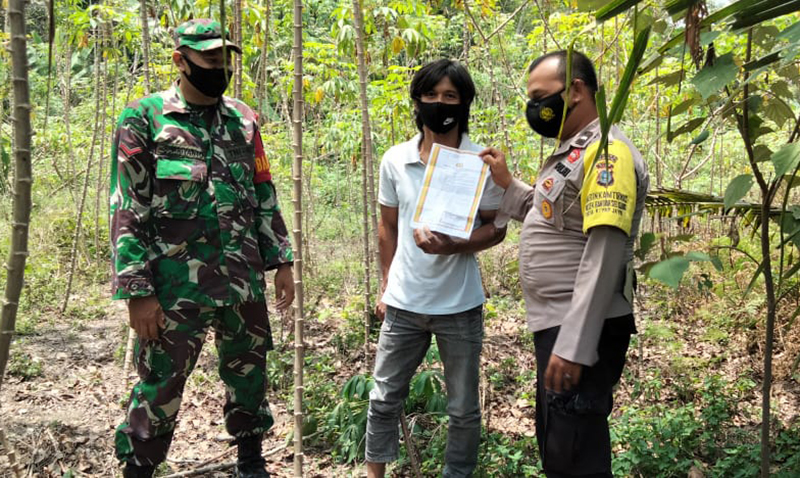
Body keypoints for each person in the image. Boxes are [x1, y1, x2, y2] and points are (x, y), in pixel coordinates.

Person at [109, 19, 294, 478]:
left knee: (249, 372)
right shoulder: (145, 117)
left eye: (225, 60)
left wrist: (282, 261)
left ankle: (250, 459)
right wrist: (137, 290)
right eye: (210, 60)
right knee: (161, 382)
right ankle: (138, 468)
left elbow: (263, 192)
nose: (220, 68)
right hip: (175, 286)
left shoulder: (244, 119)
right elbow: (128, 206)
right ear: (181, 60)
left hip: (241, 277)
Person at [481, 50, 649, 477]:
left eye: (541, 96)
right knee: (560, 445)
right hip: (558, 322)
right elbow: (553, 218)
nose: (534, 107)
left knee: (575, 454)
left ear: (575, 91)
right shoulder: (574, 152)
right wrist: (508, 184)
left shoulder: (608, 153)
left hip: (578, 324)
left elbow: (605, 249)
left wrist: (575, 344)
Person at [366, 59, 506, 478]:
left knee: (462, 407)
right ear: (417, 100)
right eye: (431, 95)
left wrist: (454, 247)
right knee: (383, 397)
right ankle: (374, 474)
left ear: (464, 103)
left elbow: (495, 229)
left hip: (460, 306)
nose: (439, 104)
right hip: (405, 302)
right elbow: (387, 227)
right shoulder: (396, 160)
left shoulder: (480, 162)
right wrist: (385, 285)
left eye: (449, 96)